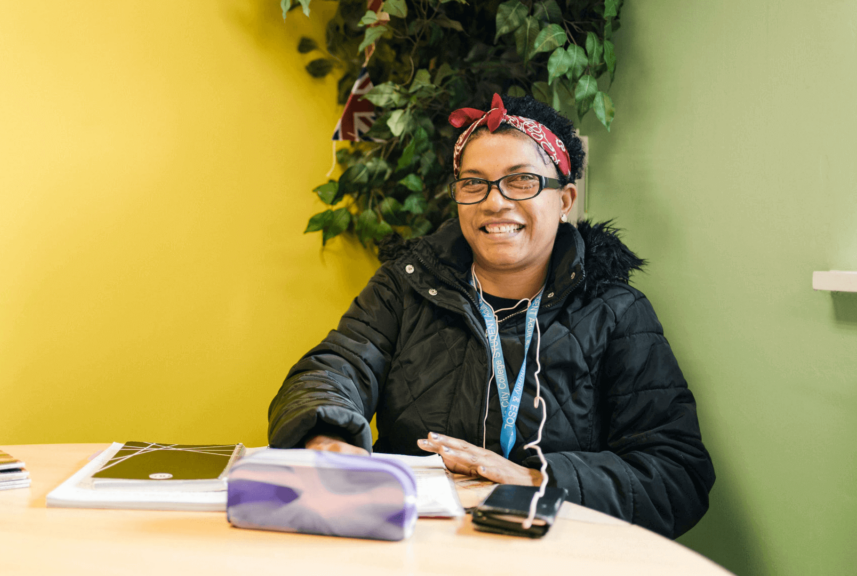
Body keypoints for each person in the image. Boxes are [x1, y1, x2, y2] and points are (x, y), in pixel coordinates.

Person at [267, 93, 715, 539]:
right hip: (409, 545)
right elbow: (331, 370)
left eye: (521, 181)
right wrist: (328, 438)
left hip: (553, 557)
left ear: (565, 201)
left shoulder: (616, 312)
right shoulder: (403, 287)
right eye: (474, 183)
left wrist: (534, 478)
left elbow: (676, 474)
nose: (495, 202)